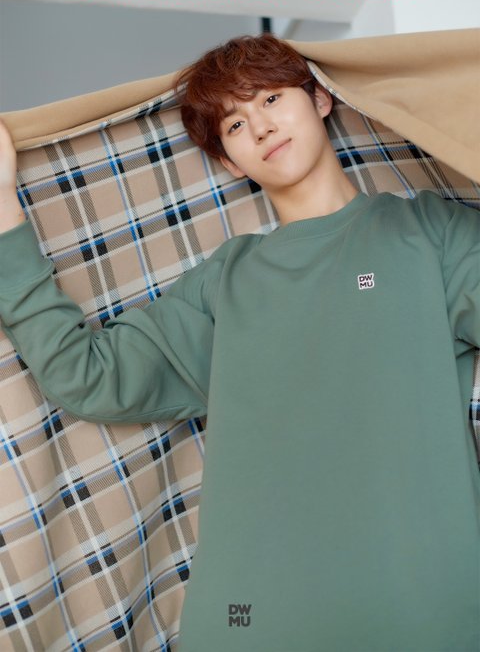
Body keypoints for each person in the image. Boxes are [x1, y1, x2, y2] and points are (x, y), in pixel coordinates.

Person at [0, 33, 478, 652]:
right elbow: (87, 375)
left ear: (320, 99)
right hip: (249, 623)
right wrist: (3, 210)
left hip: (425, 610)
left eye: (272, 98)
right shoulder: (225, 284)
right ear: (229, 161)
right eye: (233, 124)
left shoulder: (429, 233)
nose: (260, 126)